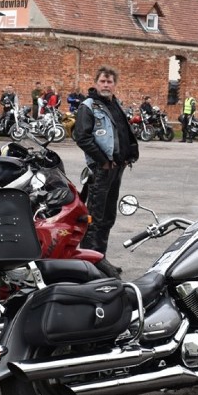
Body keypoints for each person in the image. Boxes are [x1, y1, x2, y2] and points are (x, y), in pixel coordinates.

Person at [73, 66, 139, 277]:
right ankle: (90, 265)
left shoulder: (114, 104)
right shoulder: (89, 106)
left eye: (110, 82)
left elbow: (122, 132)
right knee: (95, 218)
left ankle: (100, 260)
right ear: (96, 82)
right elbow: (82, 137)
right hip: (101, 170)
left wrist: (130, 154)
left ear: (114, 84)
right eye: (102, 81)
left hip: (116, 168)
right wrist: (102, 161)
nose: (106, 85)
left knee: (108, 217)